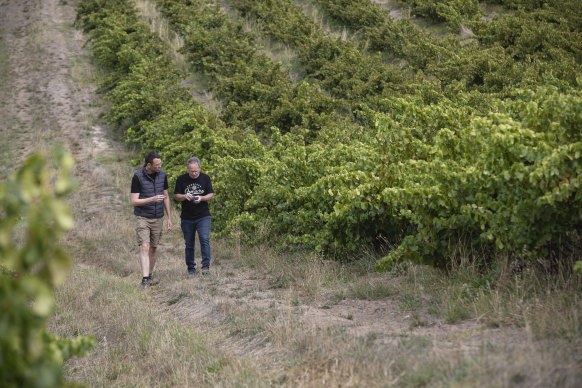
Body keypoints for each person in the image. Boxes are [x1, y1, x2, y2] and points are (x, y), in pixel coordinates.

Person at [130, 151, 173, 289]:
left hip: (158, 217)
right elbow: (134, 201)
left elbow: (166, 196)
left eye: (160, 164)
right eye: (157, 165)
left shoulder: (163, 175)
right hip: (143, 217)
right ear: (149, 165)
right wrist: (152, 199)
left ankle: (149, 276)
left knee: (153, 248)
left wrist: (169, 218)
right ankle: (144, 279)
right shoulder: (137, 177)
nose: (160, 166)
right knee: (145, 246)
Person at [174, 157, 214, 275]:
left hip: (203, 215)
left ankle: (205, 267)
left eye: (196, 171)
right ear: (188, 169)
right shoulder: (181, 179)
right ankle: (191, 268)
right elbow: (176, 196)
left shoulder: (205, 178)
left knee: (204, 239)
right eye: (191, 171)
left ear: (199, 168)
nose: (194, 173)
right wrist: (184, 196)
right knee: (189, 243)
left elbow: (211, 194)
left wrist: (201, 198)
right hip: (187, 217)